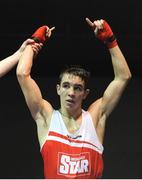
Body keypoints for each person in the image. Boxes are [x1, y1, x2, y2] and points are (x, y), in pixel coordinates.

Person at [16, 18, 132, 179]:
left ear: (85, 94)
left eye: (77, 88)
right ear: (58, 89)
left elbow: (123, 77)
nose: (71, 93)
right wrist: (34, 42)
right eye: (66, 86)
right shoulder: (47, 118)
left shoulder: (94, 118)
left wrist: (110, 40)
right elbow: (22, 74)